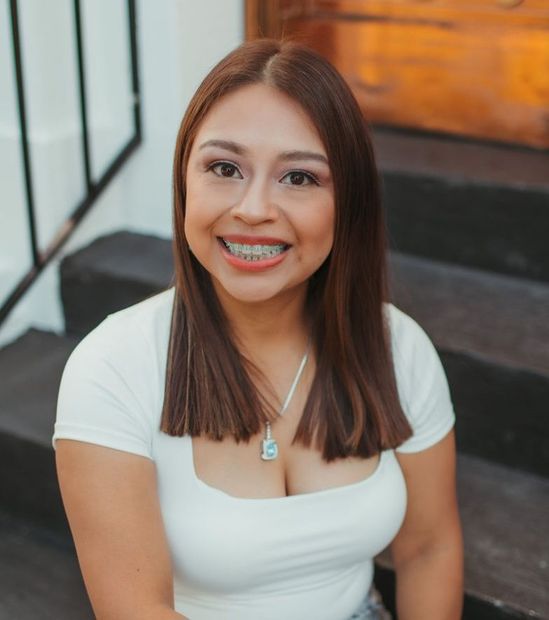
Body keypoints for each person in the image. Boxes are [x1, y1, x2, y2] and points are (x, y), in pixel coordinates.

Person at [53, 39, 463, 620]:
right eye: (224, 168)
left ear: (348, 204)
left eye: (299, 178)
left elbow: (428, 549)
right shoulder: (113, 367)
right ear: (184, 182)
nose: (252, 208)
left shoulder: (399, 347)